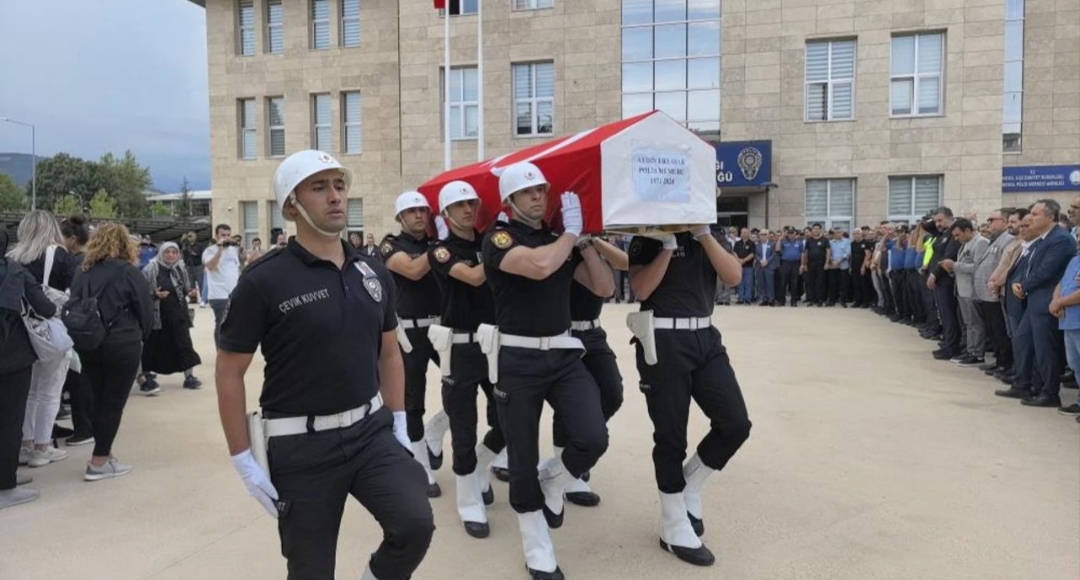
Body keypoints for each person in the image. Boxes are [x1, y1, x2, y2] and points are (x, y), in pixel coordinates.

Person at [216, 150, 433, 580]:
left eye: (339, 185)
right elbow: (229, 371)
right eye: (319, 187)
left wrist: (400, 422)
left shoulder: (371, 271)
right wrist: (242, 456)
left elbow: (389, 352)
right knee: (311, 570)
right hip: (301, 448)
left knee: (415, 524)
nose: (335, 197)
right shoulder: (263, 280)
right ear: (291, 205)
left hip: (370, 432)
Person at [482, 162, 610, 580]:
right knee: (521, 453)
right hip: (517, 359)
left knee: (592, 435)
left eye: (542, 190)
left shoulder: (560, 239)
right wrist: (570, 234)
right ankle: (536, 542)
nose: (539, 196)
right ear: (510, 201)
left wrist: (585, 241)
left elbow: (605, 288)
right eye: (529, 191)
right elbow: (537, 266)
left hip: (562, 354)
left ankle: (554, 480)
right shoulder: (498, 238)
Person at [627, 223, 751, 568]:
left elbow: (733, 277)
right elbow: (640, 288)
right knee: (670, 435)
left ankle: (690, 484)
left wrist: (703, 235)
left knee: (735, 423)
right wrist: (667, 246)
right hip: (663, 336)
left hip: (704, 336)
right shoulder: (647, 234)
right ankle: (672, 523)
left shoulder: (711, 232)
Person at [427, 181, 506, 538]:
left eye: (472, 203)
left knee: (511, 417)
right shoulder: (441, 250)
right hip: (460, 346)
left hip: (495, 341)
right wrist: (501, 251)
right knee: (463, 425)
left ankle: (479, 466)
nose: (467, 209)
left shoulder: (489, 240)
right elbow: (474, 277)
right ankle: (468, 500)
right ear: (445, 213)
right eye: (458, 205)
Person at [380, 191, 450, 497]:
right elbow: (412, 269)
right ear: (400, 217)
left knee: (463, 384)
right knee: (412, 401)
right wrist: (442, 246)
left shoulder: (435, 243)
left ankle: (437, 430)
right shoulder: (390, 244)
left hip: (442, 327)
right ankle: (419, 465)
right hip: (410, 331)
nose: (420, 215)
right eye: (412, 211)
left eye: (424, 210)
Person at [72, 223, 153, 480]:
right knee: (114, 402)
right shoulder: (129, 272)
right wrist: (142, 336)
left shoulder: (83, 271)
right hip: (122, 342)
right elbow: (146, 311)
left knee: (98, 397)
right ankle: (100, 460)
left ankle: (102, 452)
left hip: (88, 341)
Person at [8, 210, 78, 469]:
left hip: (18, 332)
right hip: (51, 329)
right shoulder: (60, 256)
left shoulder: (11, 258)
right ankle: (41, 447)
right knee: (50, 390)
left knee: (27, 391)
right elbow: (75, 294)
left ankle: (24, 444)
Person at [0, 229, 57, 508]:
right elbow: (45, 308)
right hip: (11, 357)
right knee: (10, 420)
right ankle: (5, 485)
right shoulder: (15, 271)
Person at [141, 242, 203, 390]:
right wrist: (155, 294)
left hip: (179, 314)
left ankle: (189, 376)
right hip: (158, 317)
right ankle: (145, 376)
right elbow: (142, 294)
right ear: (161, 253)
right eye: (167, 252)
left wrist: (190, 292)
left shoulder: (180, 269)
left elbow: (185, 287)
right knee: (152, 347)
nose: (170, 255)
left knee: (184, 345)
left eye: (174, 252)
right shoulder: (152, 269)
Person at [59, 214, 95, 446]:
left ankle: (84, 428)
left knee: (78, 376)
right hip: (91, 323)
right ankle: (87, 425)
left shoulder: (71, 263)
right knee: (86, 375)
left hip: (75, 322)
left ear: (72, 239)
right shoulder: (92, 260)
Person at [202, 223, 242, 348]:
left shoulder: (233, 250)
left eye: (228, 235)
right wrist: (219, 249)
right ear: (216, 235)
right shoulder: (209, 251)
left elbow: (236, 270)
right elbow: (211, 266)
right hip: (219, 295)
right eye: (223, 235)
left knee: (235, 323)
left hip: (234, 292)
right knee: (221, 323)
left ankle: (231, 348)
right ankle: (221, 350)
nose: (226, 238)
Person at [801, 223, 830, 306]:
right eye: (814, 229)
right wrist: (805, 264)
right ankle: (812, 300)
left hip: (821, 264)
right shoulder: (809, 240)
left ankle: (820, 300)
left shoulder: (825, 240)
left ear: (820, 230)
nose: (816, 230)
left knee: (820, 282)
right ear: (812, 230)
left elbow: (828, 251)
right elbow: (805, 252)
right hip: (810, 264)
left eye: (818, 229)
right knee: (811, 282)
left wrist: (827, 263)